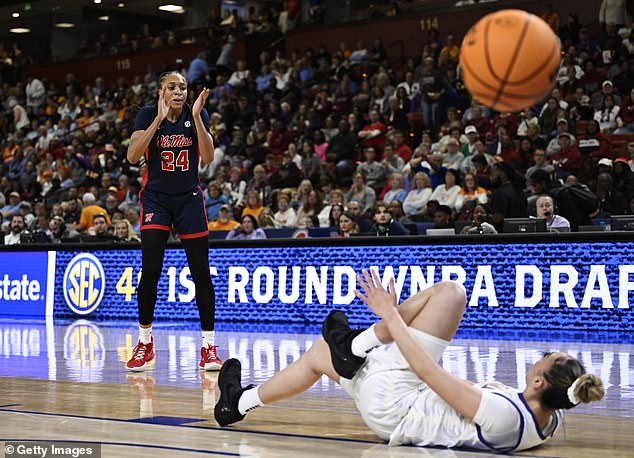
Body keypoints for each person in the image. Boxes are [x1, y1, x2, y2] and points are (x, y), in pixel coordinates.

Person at [214, 269, 604, 452]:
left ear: (540, 382)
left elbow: (427, 371)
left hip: (395, 406)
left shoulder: (506, 417)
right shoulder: (549, 417)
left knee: (450, 294)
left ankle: (358, 343)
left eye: (543, 359)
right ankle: (237, 404)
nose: (538, 359)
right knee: (319, 354)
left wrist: (392, 315)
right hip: (400, 402)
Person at [125, 71, 223, 372]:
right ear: (161, 92)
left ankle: (208, 347)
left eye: (183, 87)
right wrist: (158, 118)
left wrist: (197, 119)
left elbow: (207, 158)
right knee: (151, 269)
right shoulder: (145, 114)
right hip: (156, 198)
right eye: (172, 87)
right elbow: (132, 156)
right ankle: (144, 342)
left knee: (201, 273)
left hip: (188, 199)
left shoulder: (198, 114)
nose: (179, 91)